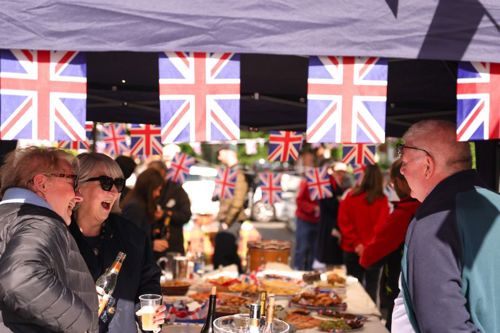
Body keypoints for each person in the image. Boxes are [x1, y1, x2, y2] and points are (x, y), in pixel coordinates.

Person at [392, 120, 500, 333]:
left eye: (404, 161)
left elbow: (444, 326)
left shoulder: (434, 222)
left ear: (427, 165)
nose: (402, 171)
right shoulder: (494, 203)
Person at [0, 146, 98, 333]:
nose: (78, 197)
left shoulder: (11, 217)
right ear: (41, 184)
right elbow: (20, 278)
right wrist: (83, 323)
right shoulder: (42, 221)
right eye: (73, 182)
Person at [70, 152, 164, 333]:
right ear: (78, 185)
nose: (114, 191)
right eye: (105, 182)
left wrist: (149, 310)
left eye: (119, 184)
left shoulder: (132, 236)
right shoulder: (57, 234)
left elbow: (149, 281)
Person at [358, 159, 420, 330]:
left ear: (401, 181)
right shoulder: (434, 206)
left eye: (393, 183)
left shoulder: (405, 213)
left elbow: (368, 258)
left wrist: (365, 250)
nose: (394, 188)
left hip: (402, 296)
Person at [337, 163, 389, 303]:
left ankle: (352, 319)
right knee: (371, 289)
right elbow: (381, 227)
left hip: (352, 249)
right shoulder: (382, 200)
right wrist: (366, 246)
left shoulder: (350, 196)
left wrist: (357, 244)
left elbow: (344, 222)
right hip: (372, 252)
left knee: (353, 290)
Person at [213, 146, 249, 273]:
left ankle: (236, 280)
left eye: (220, 153)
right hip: (227, 219)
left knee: (224, 256)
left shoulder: (238, 173)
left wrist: (226, 221)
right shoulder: (229, 172)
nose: (218, 157)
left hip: (232, 221)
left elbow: (238, 201)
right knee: (227, 254)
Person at [148, 160, 192, 257]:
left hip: (173, 246)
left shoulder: (177, 190)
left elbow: (186, 215)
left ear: (163, 172)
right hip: (151, 247)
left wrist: (166, 214)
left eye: (153, 174)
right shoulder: (146, 190)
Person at [121, 168, 165, 250]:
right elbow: (129, 238)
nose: (158, 194)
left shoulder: (140, 204)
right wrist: (152, 245)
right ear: (148, 188)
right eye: (156, 190)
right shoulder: (135, 207)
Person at [293, 149, 320, 271]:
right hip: (305, 219)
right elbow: (299, 200)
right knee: (302, 249)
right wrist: (313, 208)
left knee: (314, 251)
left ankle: (309, 273)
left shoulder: (320, 180)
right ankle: (298, 270)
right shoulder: (306, 181)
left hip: (316, 220)